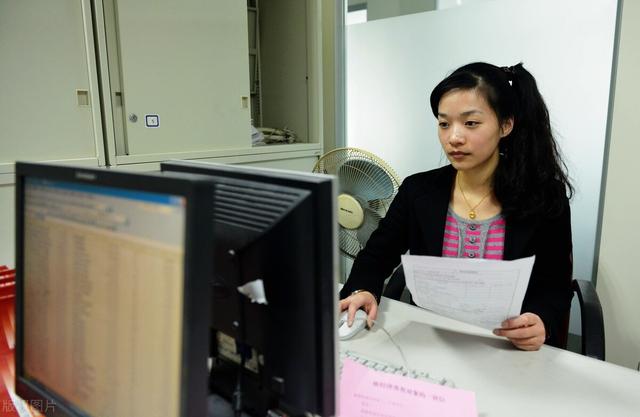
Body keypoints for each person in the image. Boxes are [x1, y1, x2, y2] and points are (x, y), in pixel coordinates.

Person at [339, 62, 573, 351]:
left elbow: (554, 285)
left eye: (471, 123)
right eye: (444, 123)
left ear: (505, 125)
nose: (454, 138)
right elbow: (376, 256)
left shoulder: (543, 196)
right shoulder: (418, 191)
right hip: (430, 342)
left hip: (506, 347)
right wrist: (363, 290)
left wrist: (540, 320)